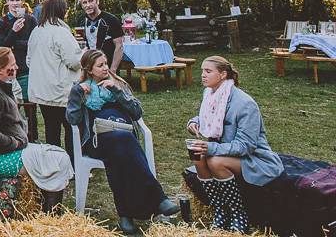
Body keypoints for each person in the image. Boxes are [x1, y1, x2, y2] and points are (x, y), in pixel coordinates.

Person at [67, 50, 180, 234]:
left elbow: (136, 113)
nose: (106, 68)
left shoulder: (117, 83)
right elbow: (72, 120)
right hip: (97, 141)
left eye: (106, 63)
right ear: (89, 70)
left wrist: (116, 90)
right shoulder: (80, 87)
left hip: (123, 143)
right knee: (123, 141)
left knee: (119, 155)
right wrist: (77, 94)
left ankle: (126, 216)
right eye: (100, 65)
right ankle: (159, 199)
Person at [186, 56, 283, 233]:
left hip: (254, 159)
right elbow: (210, 117)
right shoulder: (210, 94)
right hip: (225, 153)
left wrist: (211, 148)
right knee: (197, 157)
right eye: (202, 71)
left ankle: (239, 214)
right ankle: (221, 210)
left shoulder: (245, 104)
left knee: (215, 161)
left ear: (223, 74)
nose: (202, 75)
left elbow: (246, 146)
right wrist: (194, 122)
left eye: (208, 71)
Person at [0, 47, 68, 213]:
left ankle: (49, 213)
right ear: (0, 69)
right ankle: (51, 215)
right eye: (13, 65)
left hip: (3, 151)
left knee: (59, 155)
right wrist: (15, 143)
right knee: (56, 162)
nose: (16, 67)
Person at [27, 0, 82, 155]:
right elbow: (73, 61)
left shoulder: (36, 31)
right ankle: (73, 164)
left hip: (42, 90)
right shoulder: (61, 32)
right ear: (60, 11)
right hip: (61, 90)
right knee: (71, 128)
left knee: (52, 129)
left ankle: (55, 164)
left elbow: (29, 60)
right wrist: (84, 53)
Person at [0, 0, 37, 97]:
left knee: (29, 101)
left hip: (27, 66)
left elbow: (35, 43)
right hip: (8, 67)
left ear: (22, 1)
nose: (15, 3)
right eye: (12, 0)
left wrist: (15, 44)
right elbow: (1, 47)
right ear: (7, 2)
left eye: (17, 0)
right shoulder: (1, 22)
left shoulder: (31, 20)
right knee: (10, 100)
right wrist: (13, 31)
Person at [77, 0, 124, 73]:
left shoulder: (111, 20)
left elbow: (119, 46)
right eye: (85, 2)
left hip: (108, 67)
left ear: (97, 1)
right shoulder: (81, 21)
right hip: (89, 69)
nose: (88, 5)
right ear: (82, 5)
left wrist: (113, 70)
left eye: (91, 1)